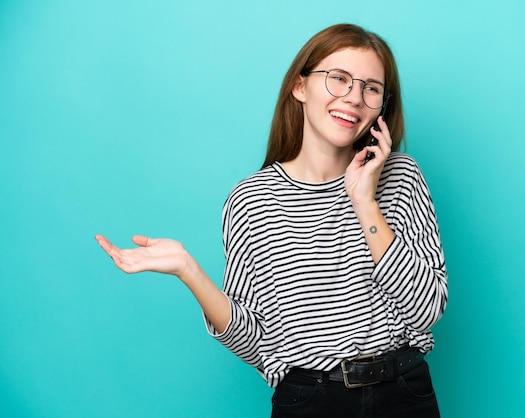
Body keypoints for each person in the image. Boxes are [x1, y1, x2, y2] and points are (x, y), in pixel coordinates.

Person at [95, 23, 447, 418]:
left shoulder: (400, 177)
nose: (354, 98)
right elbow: (258, 343)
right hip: (310, 401)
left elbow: (426, 309)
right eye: (339, 79)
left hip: (403, 394)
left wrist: (364, 200)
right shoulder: (252, 200)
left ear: (382, 106)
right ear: (300, 87)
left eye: (371, 88)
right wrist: (188, 271)